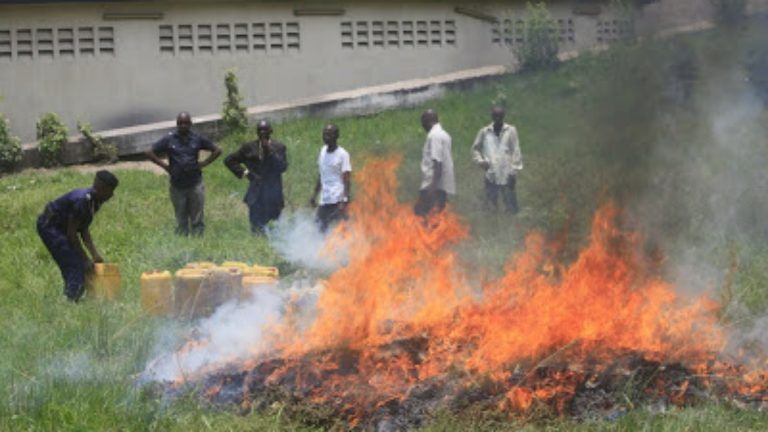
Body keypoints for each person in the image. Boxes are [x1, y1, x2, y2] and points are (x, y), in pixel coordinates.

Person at [36, 170, 119, 302]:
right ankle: (71, 300)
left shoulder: (95, 201)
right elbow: (72, 233)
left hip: (63, 227)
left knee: (82, 264)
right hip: (51, 227)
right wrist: (85, 258)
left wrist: (94, 254)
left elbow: (83, 228)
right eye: (110, 190)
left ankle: (85, 295)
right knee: (74, 264)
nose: (112, 195)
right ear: (102, 188)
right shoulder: (81, 201)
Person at [146, 112, 221, 236]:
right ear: (177, 124)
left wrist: (205, 162)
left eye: (185, 123)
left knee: (197, 215)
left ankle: (198, 238)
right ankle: (182, 238)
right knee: (181, 216)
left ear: (190, 124)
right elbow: (149, 152)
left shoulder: (197, 138)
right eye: (180, 123)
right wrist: (164, 166)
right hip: (177, 185)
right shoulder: (169, 139)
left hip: (195, 183)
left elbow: (217, 150)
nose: (183, 126)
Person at [224, 120, 288, 233]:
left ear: (270, 131)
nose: (262, 132)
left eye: (265, 130)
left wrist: (269, 151)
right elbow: (229, 160)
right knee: (256, 228)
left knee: (276, 228)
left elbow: (282, 167)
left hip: (274, 194)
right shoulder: (249, 147)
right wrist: (245, 173)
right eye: (259, 130)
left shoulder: (279, 147)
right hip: (256, 194)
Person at [471, 105, 523, 213]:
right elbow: (475, 149)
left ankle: (511, 227)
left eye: (500, 116)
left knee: (511, 207)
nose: (498, 118)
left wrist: (514, 171)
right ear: (492, 116)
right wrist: (481, 161)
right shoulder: (485, 131)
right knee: (491, 206)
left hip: (507, 174)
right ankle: (492, 226)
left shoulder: (510, 130)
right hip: (491, 175)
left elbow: (516, 151)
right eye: (495, 116)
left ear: (503, 116)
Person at [310, 124, 352, 232]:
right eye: (324, 134)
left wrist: (345, 199)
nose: (326, 137)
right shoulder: (323, 151)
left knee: (343, 230)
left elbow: (347, 179)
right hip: (324, 199)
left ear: (336, 136)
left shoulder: (342, 154)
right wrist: (314, 195)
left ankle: (349, 248)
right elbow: (321, 174)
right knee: (319, 229)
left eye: (329, 134)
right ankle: (321, 248)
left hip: (337, 200)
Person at [414, 109, 455, 217]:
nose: (423, 127)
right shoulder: (445, 135)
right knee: (437, 217)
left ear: (427, 121)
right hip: (442, 186)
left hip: (433, 185)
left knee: (420, 213)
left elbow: (438, 163)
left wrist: (431, 188)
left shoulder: (434, 136)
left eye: (423, 123)